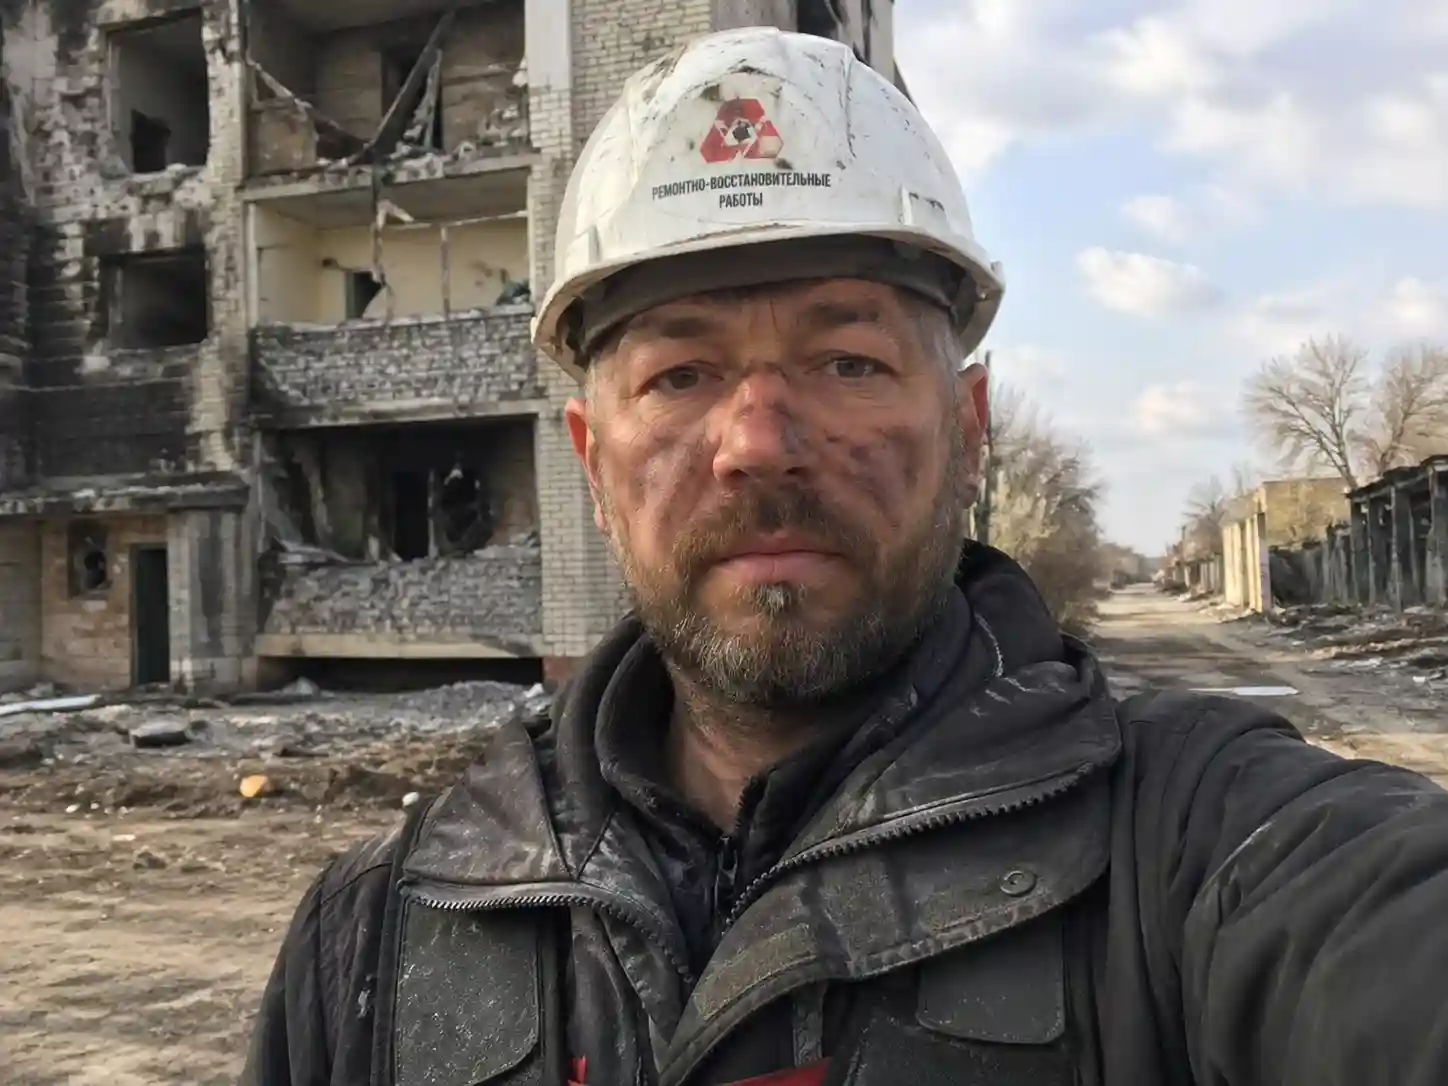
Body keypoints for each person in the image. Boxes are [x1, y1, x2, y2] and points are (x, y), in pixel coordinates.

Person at [242, 27, 1448, 1086]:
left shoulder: (1197, 850)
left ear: (966, 430)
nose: (759, 444)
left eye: (846, 362)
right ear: (593, 464)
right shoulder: (375, 942)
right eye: (679, 374)